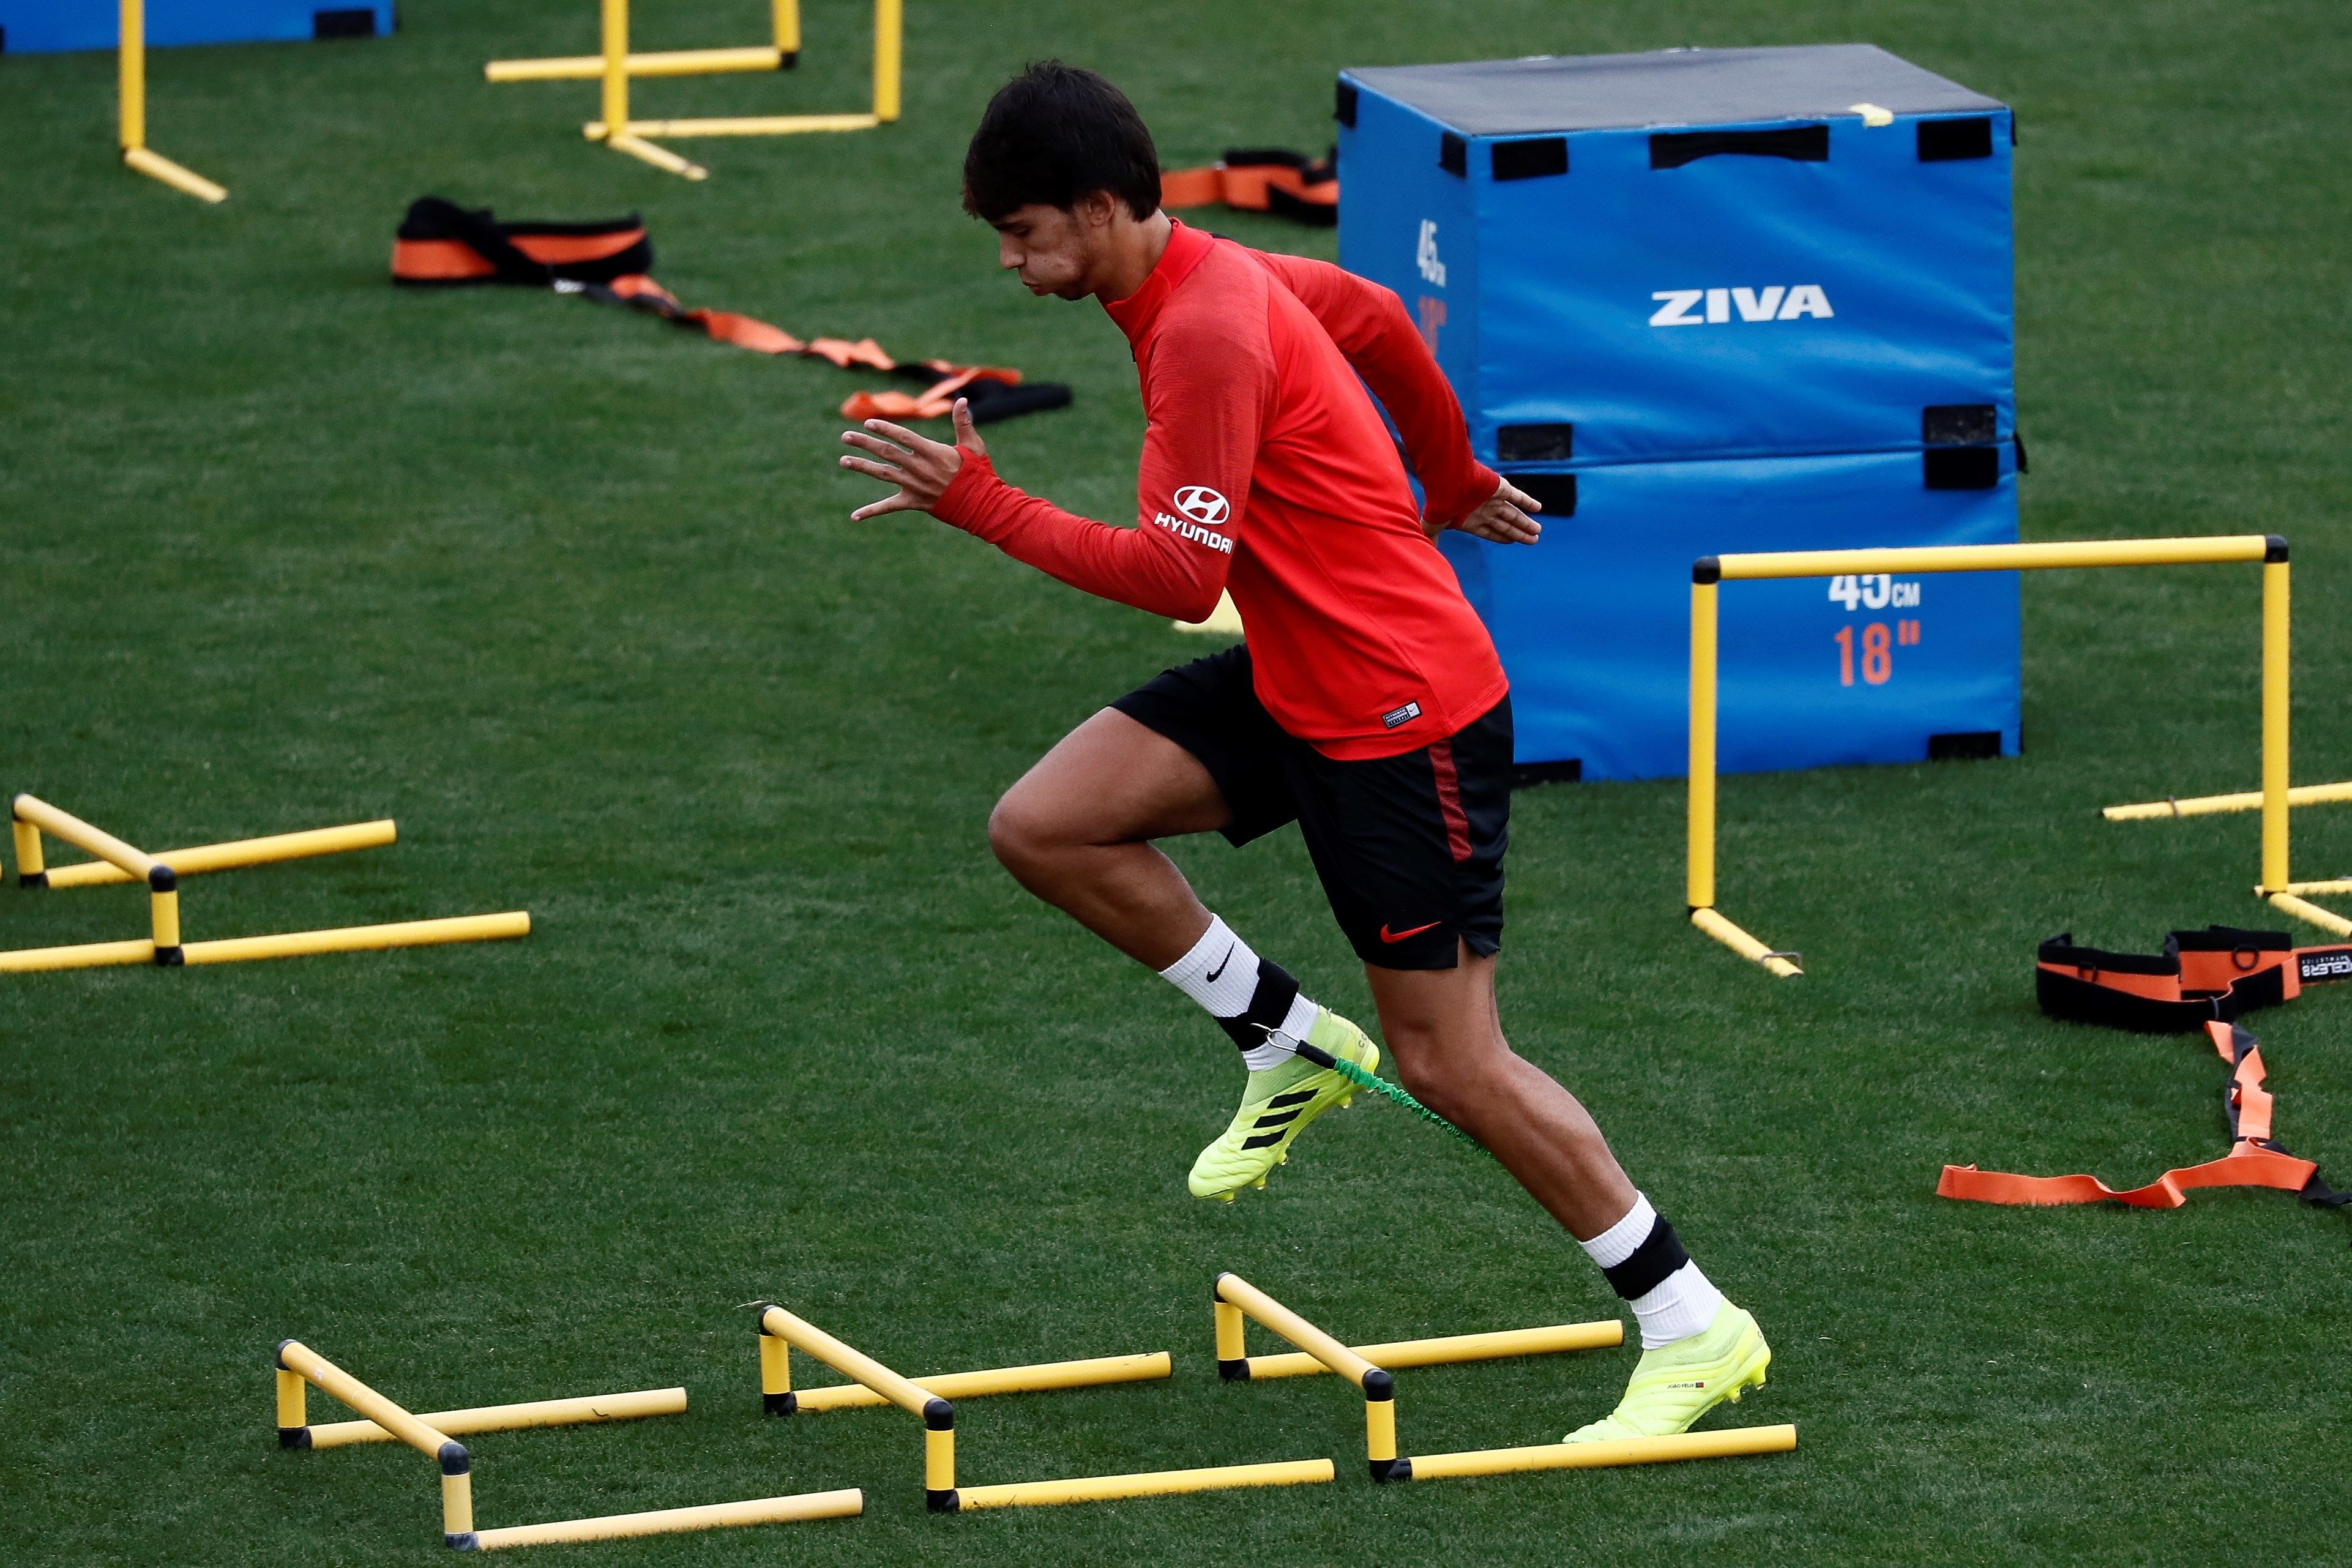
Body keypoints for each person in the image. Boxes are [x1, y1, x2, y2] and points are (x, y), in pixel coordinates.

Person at [837, 61, 1771, 1442]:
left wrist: (980, 505)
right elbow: (1380, 317)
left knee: (1455, 1062)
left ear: (1099, 210)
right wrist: (1448, 479)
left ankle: (1691, 1322)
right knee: (1049, 824)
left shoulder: (1205, 329)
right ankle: (1282, 1039)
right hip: (1299, 678)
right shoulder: (1202, 272)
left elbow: (1172, 567)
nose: (1010, 262)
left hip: (1400, 719)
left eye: (1024, 233)